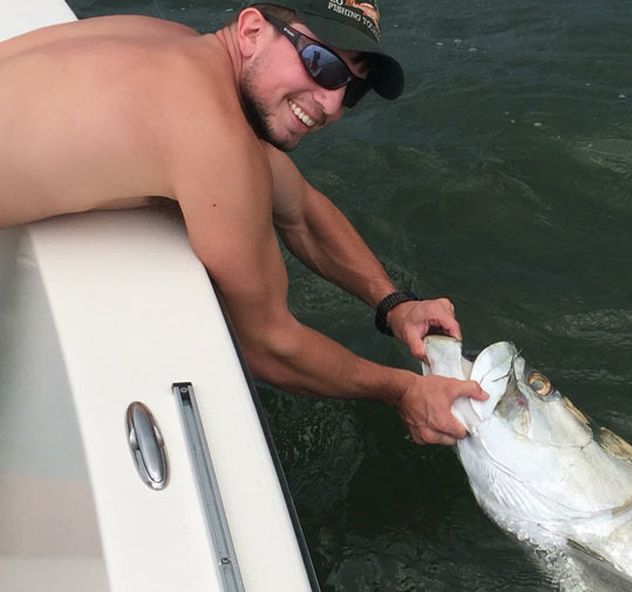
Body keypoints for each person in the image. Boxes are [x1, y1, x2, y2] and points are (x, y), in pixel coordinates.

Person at [0, 1, 485, 445]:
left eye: (352, 87)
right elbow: (270, 346)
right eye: (322, 65)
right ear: (253, 30)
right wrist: (402, 390)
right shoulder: (212, 136)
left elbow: (299, 205)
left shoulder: (173, 43)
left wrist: (394, 303)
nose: (332, 104)